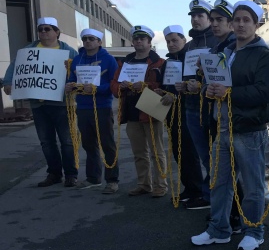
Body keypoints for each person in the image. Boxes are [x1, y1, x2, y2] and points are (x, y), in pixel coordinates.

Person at [190, 0, 269, 250]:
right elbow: (214, 85)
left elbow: (264, 92)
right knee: (219, 184)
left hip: (249, 130)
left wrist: (229, 93)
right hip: (223, 127)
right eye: (237, 19)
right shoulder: (224, 54)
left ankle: (254, 232)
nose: (240, 24)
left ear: (256, 25)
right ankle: (219, 230)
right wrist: (208, 90)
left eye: (246, 20)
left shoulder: (264, 56)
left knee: (252, 186)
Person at [2, 17, 78, 187]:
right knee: (46, 141)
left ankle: (71, 174)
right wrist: (7, 82)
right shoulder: (28, 51)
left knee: (67, 141)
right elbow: (14, 67)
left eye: (47, 29)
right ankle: (54, 173)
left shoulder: (69, 52)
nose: (43, 32)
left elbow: (78, 72)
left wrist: (74, 85)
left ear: (57, 32)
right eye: (40, 29)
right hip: (38, 104)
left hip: (62, 104)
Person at [111, 25, 168, 197]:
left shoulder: (160, 63)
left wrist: (146, 86)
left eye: (142, 39)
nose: (139, 41)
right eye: (136, 39)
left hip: (151, 110)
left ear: (150, 42)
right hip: (131, 112)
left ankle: (161, 185)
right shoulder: (124, 63)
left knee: (157, 151)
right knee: (139, 152)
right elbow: (114, 85)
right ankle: (144, 184)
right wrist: (120, 87)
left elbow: (165, 87)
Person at [65, 28, 119, 193]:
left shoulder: (108, 60)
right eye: (85, 39)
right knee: (89, 145)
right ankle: (93, 178)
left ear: (99, 42)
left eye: (91, 39)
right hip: (82, 107)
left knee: (107, 145)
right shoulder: (77, 59)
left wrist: (97, 89)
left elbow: (114, 83)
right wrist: (70, 85)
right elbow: (72, 79)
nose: (88, 42)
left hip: (102, 107)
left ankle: (112, 180)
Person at [207, 0, 244, 234]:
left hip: (234, 118)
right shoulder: (216, 49)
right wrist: (206, 88)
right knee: (222, 172)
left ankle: (236, 216)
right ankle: (224, 215)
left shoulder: (234, 48)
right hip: (218, 116)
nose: (214, 24)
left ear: (230, 23)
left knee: (233, 172)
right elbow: (210, 82)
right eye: (212, 20)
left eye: (219, 20)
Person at [155, 25, 204, 203]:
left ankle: (197, 190)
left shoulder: (191, 60)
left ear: (184, 40)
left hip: (187, 112)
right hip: (171, 114)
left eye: (175, 40)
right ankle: (189, 188)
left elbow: (196, 85)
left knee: (190, 153)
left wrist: (175, 96)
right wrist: (162, 92)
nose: (171, 44)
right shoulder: (167, 63)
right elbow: (165, 85)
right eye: (168, 41)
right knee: (178, 152)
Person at [178, 0, 218, 210]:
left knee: (214, 155)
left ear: (209, 19)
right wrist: (183, 85)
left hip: (210, 106)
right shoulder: (189, 46)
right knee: (203, 155)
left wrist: (200, 85)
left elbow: (220, 75)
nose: (195, 19)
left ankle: (212, 196)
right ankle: (208, 193)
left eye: (200, 15)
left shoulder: (217, 41)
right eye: (193, 16)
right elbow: (187, 74)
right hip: (191, 106)